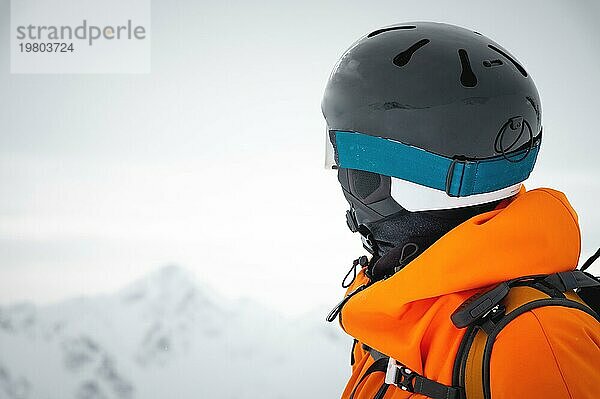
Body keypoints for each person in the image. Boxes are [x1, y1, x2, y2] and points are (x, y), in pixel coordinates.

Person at [322, 22, 600, 399]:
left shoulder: (535, 339)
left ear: (388, 176)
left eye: (347, 158)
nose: (341, 174)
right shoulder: (396, 306)